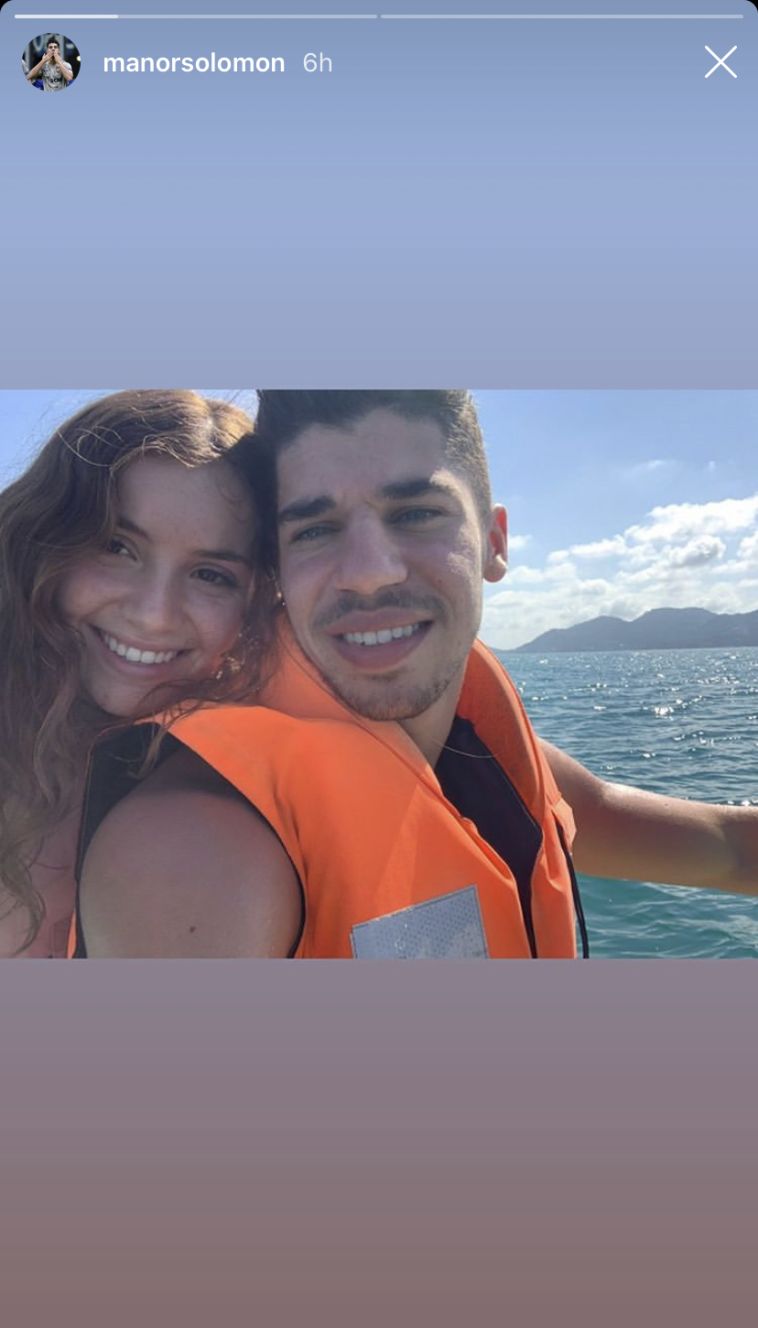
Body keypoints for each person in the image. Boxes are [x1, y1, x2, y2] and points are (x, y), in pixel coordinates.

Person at [74, 390, 758, 959]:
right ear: (278, 572)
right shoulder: (196, 849)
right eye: (315, 529)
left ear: (494, 543)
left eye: (416, 514)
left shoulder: (477, 752)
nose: (370, 572)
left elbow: (728, 849)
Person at [0, 389, 274, 958]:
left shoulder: (235, 816)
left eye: (210, 575)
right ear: (42, 540)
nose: (154, 615)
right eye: (117, 547)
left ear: (254, 606)